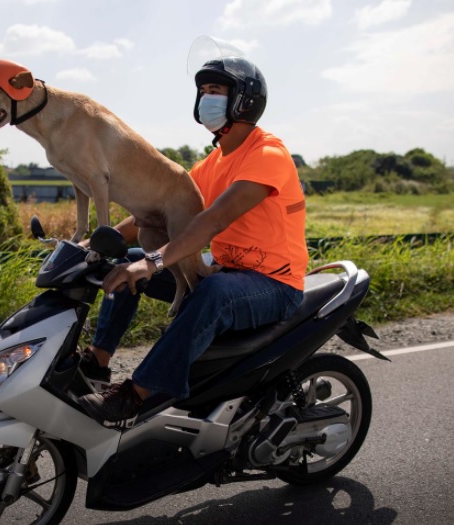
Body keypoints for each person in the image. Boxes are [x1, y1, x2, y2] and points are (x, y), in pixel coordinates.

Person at [77, 56, 309, 424]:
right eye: (202, 92)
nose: (205, 99)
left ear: (243, 101)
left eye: (214, 91)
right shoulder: (213, 162)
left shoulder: (267, 155)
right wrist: (94, 245)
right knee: (126, 263)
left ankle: (136, 396)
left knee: (210, 294)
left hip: (274, 285)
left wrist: (153, 262)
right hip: (224, 272)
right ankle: (96, 364)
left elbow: (212, 220)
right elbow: (155, 212)